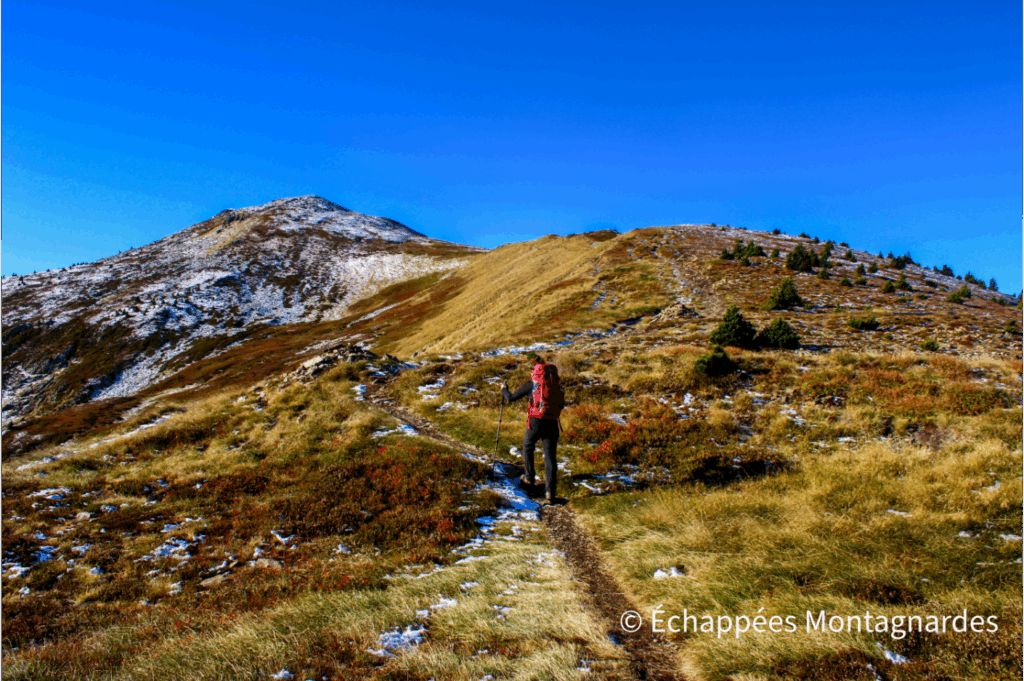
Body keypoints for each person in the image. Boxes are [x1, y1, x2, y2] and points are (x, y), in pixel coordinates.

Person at [502, 356, 564, 504]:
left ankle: (529, 477)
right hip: (552, 421)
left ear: (535, 371)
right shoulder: (555, 383)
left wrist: (504, 390)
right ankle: (550, 492)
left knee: (528, 445)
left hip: (536, 421)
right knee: (550, 457)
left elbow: (511, 398)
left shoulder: (532, 384)